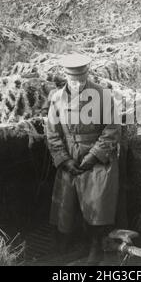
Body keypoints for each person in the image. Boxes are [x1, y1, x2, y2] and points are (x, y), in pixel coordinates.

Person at [46, 53, 121, 265]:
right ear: (66, 78)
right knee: (67, 204)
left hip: (98, 159)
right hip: (70, 156)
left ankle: (97, 247)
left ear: (87, 75)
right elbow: (52, 133)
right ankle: (72, 245)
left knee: (98, 202)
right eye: (73, 80)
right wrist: (65, 160)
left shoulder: (103, 96)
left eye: (81, 80)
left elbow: (112, 129)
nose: (77, 84)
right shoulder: (57, 98)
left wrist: (93, 156)